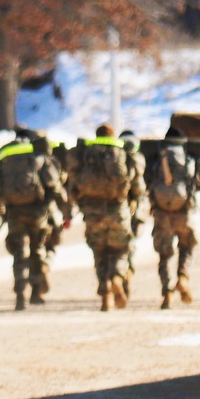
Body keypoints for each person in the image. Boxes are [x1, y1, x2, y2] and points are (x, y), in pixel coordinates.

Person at [0, 129, 72, 310]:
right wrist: (66, 210)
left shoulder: (6, 159)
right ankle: (36, 292)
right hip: (38, 213)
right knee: (37, 250)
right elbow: (55, 187)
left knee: (19, 254)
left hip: (14, 213)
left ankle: (19, 294)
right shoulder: (39, 159)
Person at [66, 124, 146, 311]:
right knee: (121, 249)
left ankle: (105, 292)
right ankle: (117, 277)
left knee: (99, 250)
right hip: (117, 210)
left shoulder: (86, 153)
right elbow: (137, 187)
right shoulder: (121, 152)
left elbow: (74, 182)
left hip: (91, 211)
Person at [147, 126, 200, 309]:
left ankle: (167, 292)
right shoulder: (189, 159)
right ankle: (183, 278)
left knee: (165, 254)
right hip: (184, 213)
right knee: (187, 247)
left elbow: (147, 181)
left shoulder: (157, 159)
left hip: (161, 214)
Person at [119, 129, 147, 300]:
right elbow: (139, 188)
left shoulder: (113, 159)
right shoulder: (137, 160)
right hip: (132, 211)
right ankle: (126, 275)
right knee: (128, 246)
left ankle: (115, 278)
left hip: (114, 209)